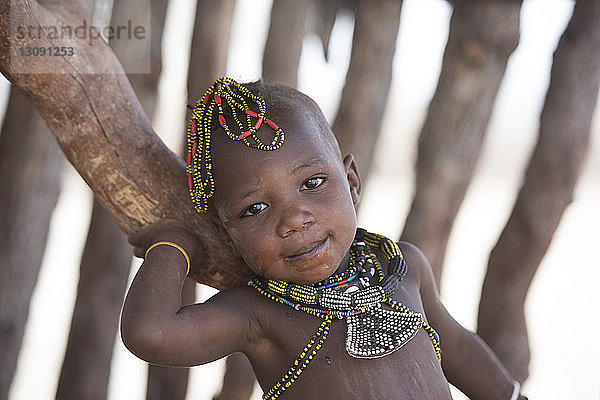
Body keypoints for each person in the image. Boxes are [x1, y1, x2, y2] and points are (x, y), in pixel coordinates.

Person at [121, 77, 527, 400]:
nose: (295, 219)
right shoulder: (259, 314)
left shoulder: (402, 268)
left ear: (351, 182)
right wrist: (174, 245)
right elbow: (151, 334)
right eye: (254, 209)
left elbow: (456, 348)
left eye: (313, 182)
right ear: (225, 230)